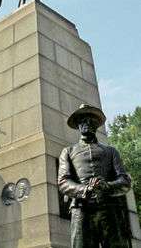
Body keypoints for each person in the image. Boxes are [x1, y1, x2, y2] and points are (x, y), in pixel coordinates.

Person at [58, 104, 132, 248]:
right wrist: (84, 190)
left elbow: (124, 181)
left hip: (109, 210)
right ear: (78, 125)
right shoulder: (68, 151)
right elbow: (63, 181)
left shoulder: (111, 152)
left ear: (96, 125)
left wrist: (107, 185)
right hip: (81, 210)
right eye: (83, 121)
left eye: (90, 120)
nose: (86, 124)